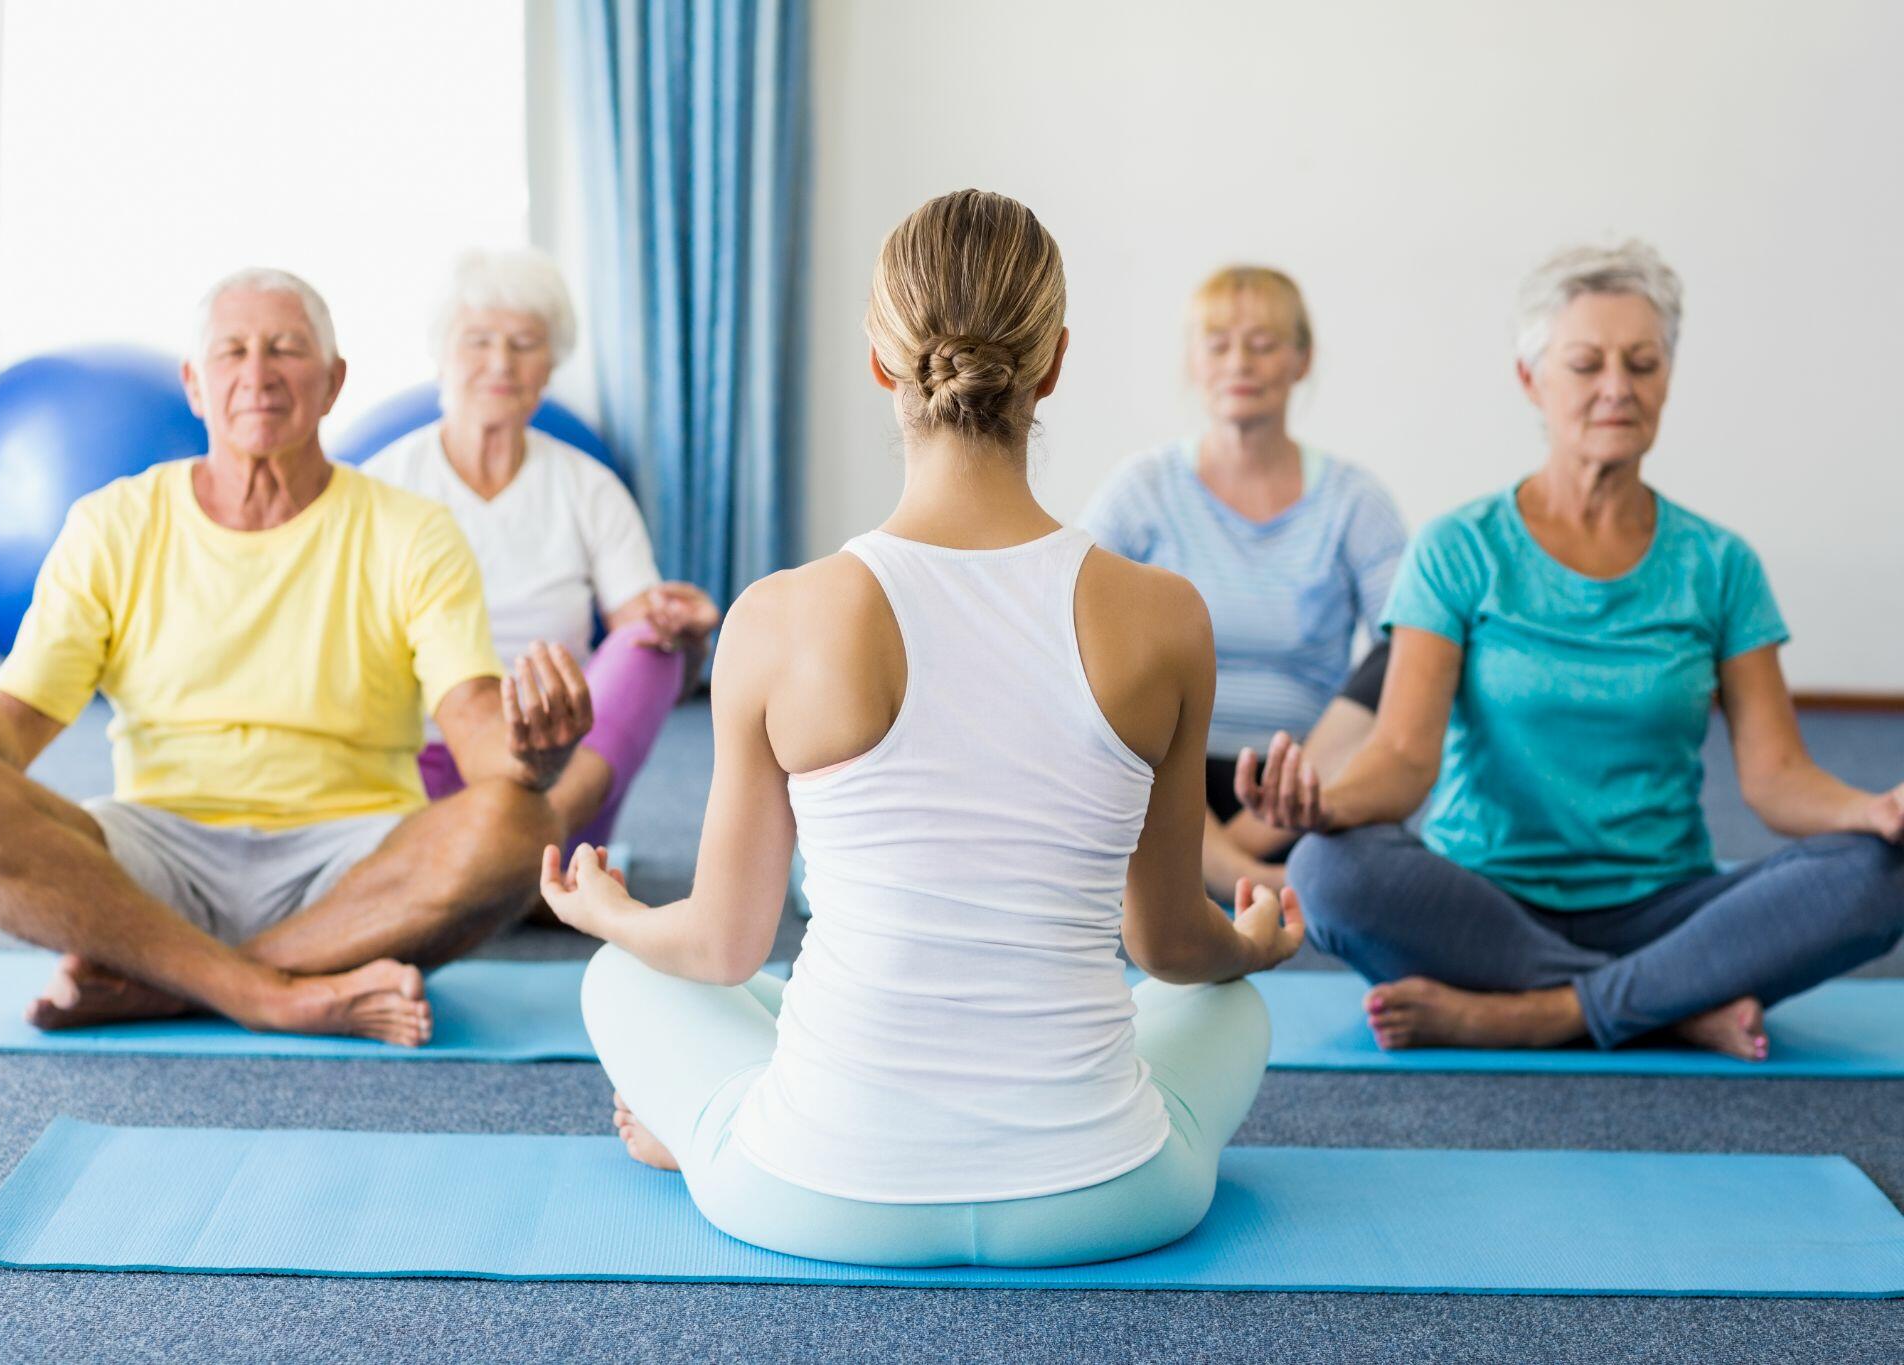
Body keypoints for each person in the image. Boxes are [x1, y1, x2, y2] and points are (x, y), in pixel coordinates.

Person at [541, 190, 1302, 1269]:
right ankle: (740, 1122)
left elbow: (719, 946)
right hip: (1111, 1198)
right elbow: (1167, 946)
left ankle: (705, 1139)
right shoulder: (1163, 614)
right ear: (1052, 365)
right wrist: (1253, 947)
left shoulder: (778, 616)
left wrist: (609, 912)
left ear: (877, 363)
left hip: (817, 1196)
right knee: (1229, 1009)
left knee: (624, 974)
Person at [0, 268, 590, 1045]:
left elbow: (479, 735)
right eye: (232, 351)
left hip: (354, 864)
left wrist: (534, 753)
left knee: (521, 821)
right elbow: (10, 733)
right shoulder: (113, 523)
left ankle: (173, 983)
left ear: (334, 381)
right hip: (154, 852)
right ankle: (272, 993)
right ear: (193, 384)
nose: (258, 374)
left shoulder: (413, 531)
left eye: (286, 349)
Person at [1237, 241, 1904, 1060]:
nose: (1617, 387)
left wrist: (1868, 810)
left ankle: (1542, 1011)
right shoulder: (1459, 547)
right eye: (1586, 363)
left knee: (1884, 873)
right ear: (1533, 381)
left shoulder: (1720, 564)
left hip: (1667, 904)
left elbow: (1775, 777)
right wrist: (1324, 806)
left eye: (1643, 363)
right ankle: (1664, 1003)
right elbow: (1405, 756)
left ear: (1668, 378)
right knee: (1328, 871)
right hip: (1479, 901)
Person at [363, 248, 719, 861]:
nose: (501, 363)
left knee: (650, 647)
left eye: (525, 344)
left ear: (550, 366)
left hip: (563, 776)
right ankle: (521, 865)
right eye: (478, 341)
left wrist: (685, 632)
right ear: (442, 354)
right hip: (421, 771)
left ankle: (513, 851)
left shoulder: (588, 486)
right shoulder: (383, 485)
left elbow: (650, 644)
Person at [1081, 266, 1405, 895]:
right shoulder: (1142, 488)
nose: (1241, 363)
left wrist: (1264, 817)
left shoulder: (1354, 500)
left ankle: (1227, 866)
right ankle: (1249, 879)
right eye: (1219, 343)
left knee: (1410, 646)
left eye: (1263, 344)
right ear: (1192, 363)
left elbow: (1407, 649)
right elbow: (1067, 619)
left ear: (1301, 360)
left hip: (1307, 784)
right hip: (1162, 776)